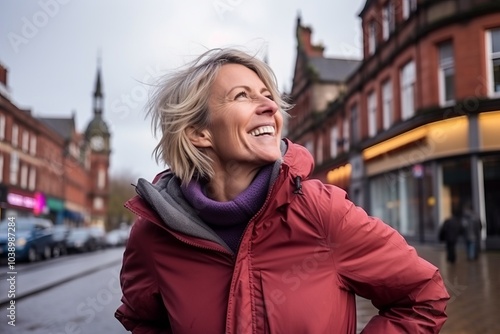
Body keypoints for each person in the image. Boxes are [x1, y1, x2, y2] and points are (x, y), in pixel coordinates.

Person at [115, 48, 449, 333]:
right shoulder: (153, 234)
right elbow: (142, 321)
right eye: (242, 95)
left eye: (268, 96)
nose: (271, 108)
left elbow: (422, 296)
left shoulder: (321, 212)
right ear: (197, 133)